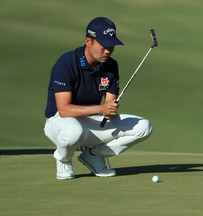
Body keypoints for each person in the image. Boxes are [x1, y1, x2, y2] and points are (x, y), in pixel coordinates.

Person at [44, 17, 153, 180]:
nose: (108, 50)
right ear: (88, 41)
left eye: (111, 46)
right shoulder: (66, 63)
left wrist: (109, 110)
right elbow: (64, 109)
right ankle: (64, 160)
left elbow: (109, 105)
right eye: (104, 46)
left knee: (144, 127)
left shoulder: (111, 65)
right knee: (74, 132)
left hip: (92, 121)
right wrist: (101, 109)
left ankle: (94, 155)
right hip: (59, 122)